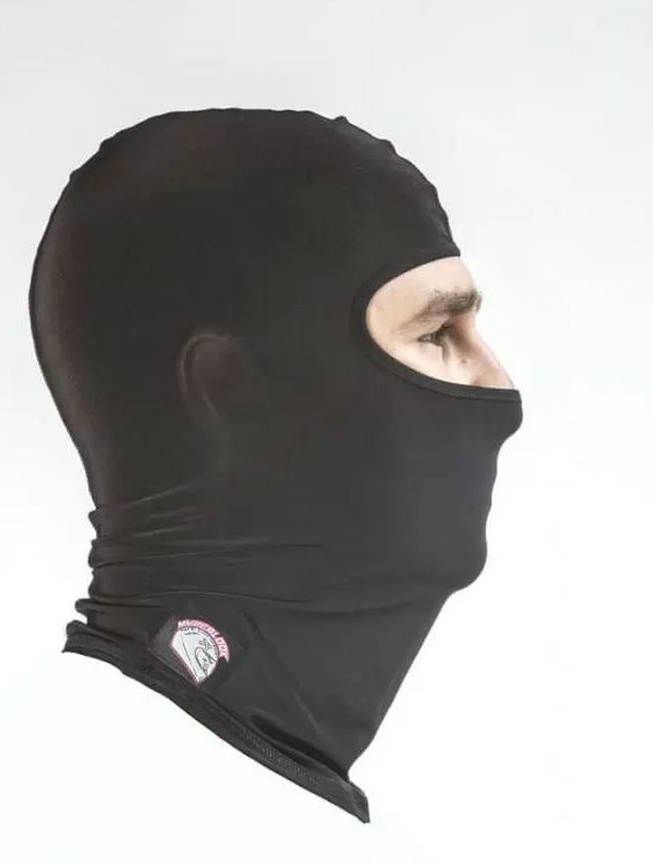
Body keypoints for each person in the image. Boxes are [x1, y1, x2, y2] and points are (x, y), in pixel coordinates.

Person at [28, 107, 522, 822]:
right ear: (232, 390)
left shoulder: (157, 788)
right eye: (436, 333)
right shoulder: (98, 817)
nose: (501, 391)